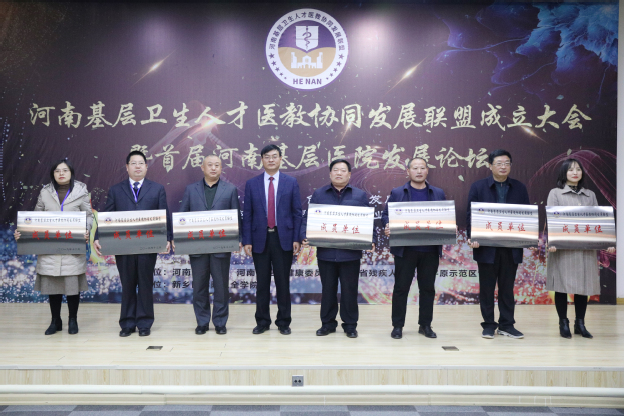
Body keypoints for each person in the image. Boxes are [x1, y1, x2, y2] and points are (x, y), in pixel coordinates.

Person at [93, 150, 172, 337]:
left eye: (141, 163)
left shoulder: (157, 189)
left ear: (146, 167)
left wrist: (167, 238)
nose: (137, 166)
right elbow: (107, 215)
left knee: (145, 283)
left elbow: (164, 214)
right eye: (133, 163)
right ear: (127, 167)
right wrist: (98, 236)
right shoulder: (116, 190)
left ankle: (144, 323)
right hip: (123, 245)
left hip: (149, 244)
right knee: (127, 284)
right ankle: (127, 324)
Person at [14, 158, 93, 335]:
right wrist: (23, 232)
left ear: (71, 173)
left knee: (72, 286)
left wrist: (86, 230)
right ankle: (55, 320)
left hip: (72, 245)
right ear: (53, 174)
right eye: (57, 171)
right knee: (53, 285)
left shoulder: (81, 191)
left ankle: (73, 320)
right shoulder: (45, 192)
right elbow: (36, 217)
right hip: (49, 247)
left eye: (65, 170)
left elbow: (88, 215)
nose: (61, 173)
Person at [301, 159, 376, 339]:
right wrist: (304, 235)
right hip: (326, 252)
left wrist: (371, 239)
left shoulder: (359, 195)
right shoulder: (319, 194)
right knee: (328, 289)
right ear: (330, 173)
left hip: (350, 253)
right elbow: (308, 218)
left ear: (349, 174)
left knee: (350, 290)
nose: (339, 173)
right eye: (335, 170)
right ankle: (327, 324)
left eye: (343, 170)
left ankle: (350, 325)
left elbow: (368, 221)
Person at [546, 158, 615, 339]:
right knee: (561, 286)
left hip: (585, 249)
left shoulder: (589, 195)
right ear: (564, 173)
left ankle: (580, 323)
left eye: (578, 169)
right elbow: (552, 220)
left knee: (583, 286)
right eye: (571, 170)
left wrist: (607, 241)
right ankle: (563, 323)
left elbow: (598, 221)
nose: (575, 172)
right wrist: (552, 242)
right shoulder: (556, 193)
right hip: (563, 249)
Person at [466, 149, 531, 339]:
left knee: (507, 288)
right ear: (490, 166)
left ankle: (507, 325)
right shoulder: (478, 187)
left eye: (507, 163)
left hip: (511, 248)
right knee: (487, 288)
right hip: (487, 248)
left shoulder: (519, 188)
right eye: (499, 163)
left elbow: (526, 216)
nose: (503, 167)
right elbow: (471, 214)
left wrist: (528, 238)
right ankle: (488, 325)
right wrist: (472, 236)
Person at [381, 157, 446, 340]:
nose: (419, 171)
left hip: (430, 250)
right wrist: (387, 225)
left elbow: (445, 217)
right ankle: (397, 326)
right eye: (415, 168)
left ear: (427, 171)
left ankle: (425, 325)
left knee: (428, 289)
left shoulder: (438, 193)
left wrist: (450, 226)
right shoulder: (397, 192)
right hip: (405, 250)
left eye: (422, 168)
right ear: (408, 171)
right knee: (401, 288)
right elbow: (386, 215)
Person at [242, 144, 302, 335]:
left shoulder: (290, 182)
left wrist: (297, 238)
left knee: (283, 283)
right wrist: (247, 240)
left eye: (274, 156)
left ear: (280, 159)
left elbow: (297, 213)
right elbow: (247, 214)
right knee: (262, 284)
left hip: (283, 238)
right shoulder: (252, 183)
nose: (271, 160)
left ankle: (283, 322)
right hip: (259, 239)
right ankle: (262, 321)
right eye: (267, 157)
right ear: (261, 160)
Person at [178, 155, 242, 335]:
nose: (213, 168)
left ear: (221, 168)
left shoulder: (230, 189)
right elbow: (183, 216)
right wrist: (178, 237)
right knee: (199, 286)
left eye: (217, 165)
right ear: (202, 167)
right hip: (197, 247)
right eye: (210, 165)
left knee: (221, 286)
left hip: (221, 246)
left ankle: (220, 322)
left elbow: (236, 217)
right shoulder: (191, 189)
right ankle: (202, 322)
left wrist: (238, 239)